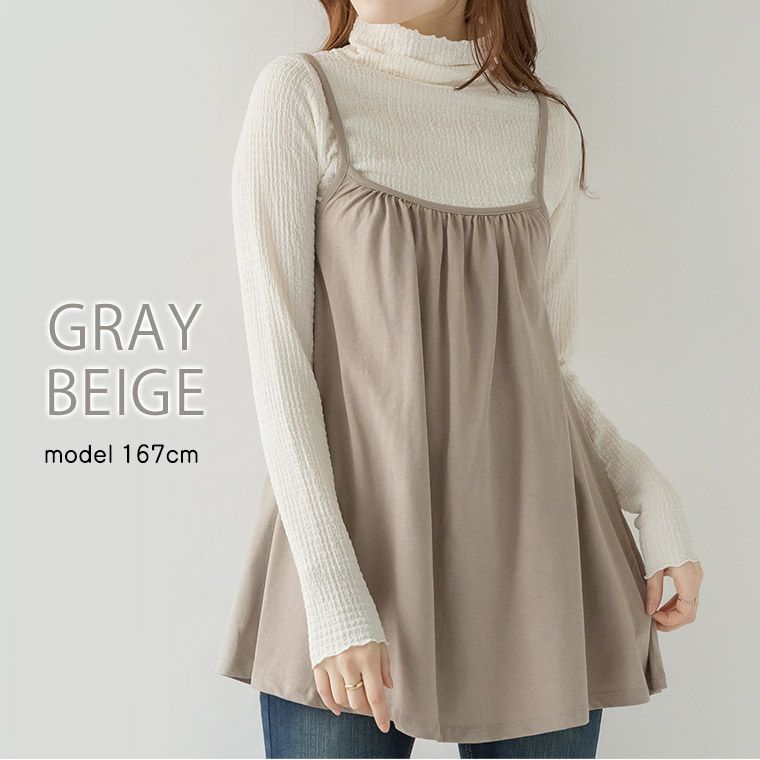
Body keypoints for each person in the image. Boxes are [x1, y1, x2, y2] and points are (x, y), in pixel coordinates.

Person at [217, 1, 704, 757]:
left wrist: (650, 492)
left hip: (535, 557)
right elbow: (280, 360)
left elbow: (545, 369)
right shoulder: (304, 92)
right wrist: (333, 592)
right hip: (356, 548)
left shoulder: (544, 128)